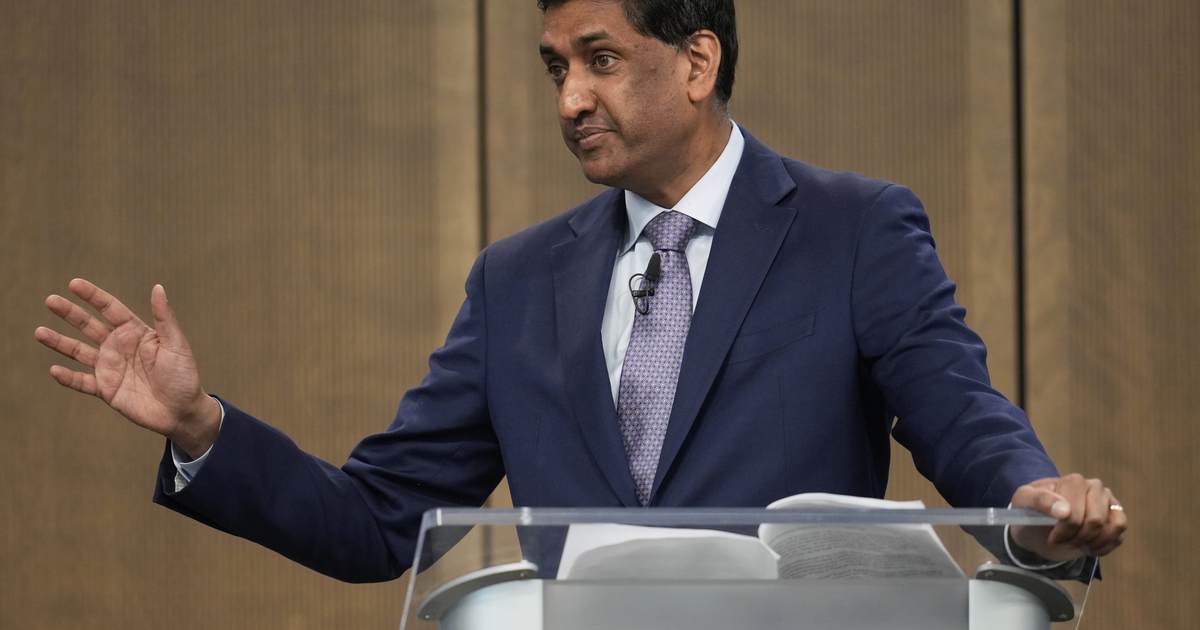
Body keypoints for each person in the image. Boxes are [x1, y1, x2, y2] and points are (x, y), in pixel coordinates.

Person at [34, 0, 1124, 583]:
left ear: (696, 62)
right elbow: (379, 523)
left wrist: (1030, 500)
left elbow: (959, 413)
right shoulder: (516, 283)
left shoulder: (853, 229)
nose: (568, 98)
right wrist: (201, 426)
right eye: (556, 67)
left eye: (599, 59)